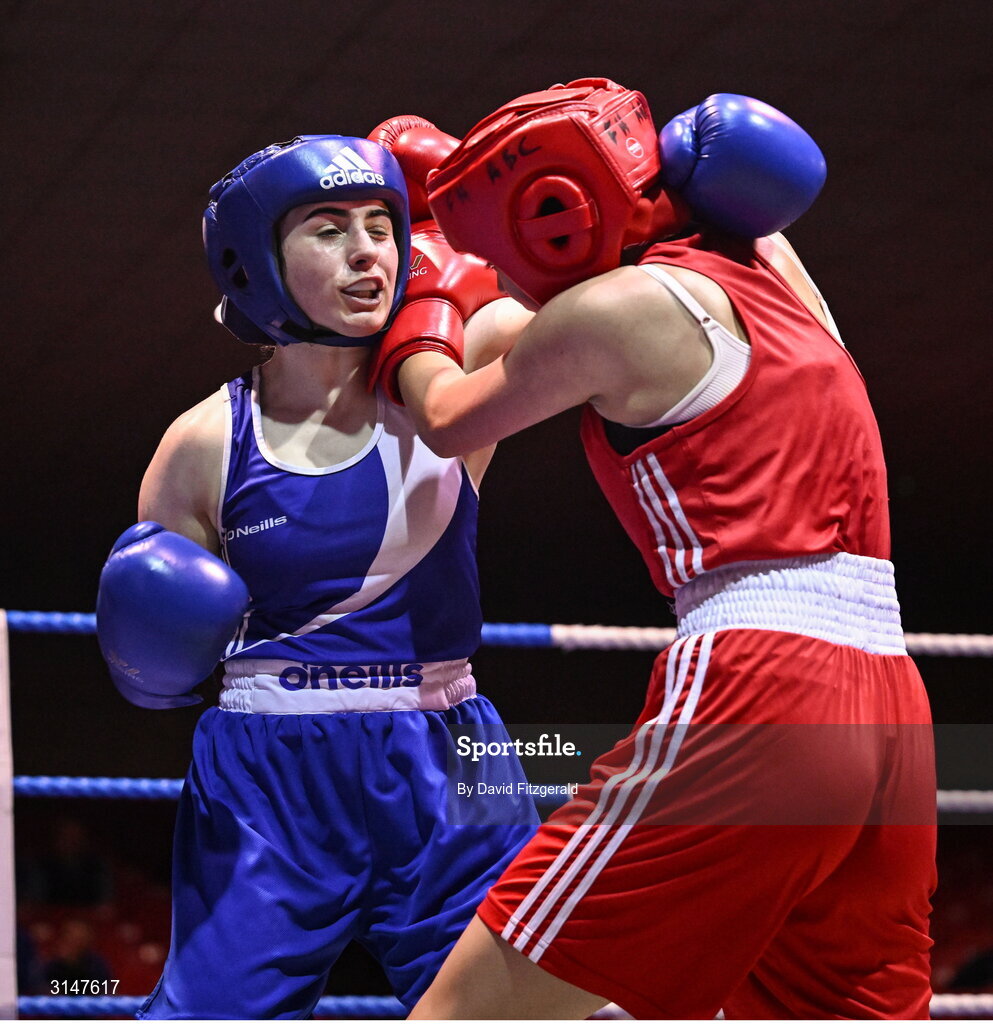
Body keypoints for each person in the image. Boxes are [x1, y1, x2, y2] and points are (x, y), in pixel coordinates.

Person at [370, 81, 938, 1019]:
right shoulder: (764, 266)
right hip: (890, 701)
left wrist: (426, 281)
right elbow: (533, 321)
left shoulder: (613, 311)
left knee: (463, 1015)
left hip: (759, 687)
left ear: (551, 221)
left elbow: (443, 414)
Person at [95, 132, 539, 1018]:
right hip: (270, 774)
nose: (368, 248)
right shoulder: (203, 444)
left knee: (525, 1009)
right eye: (329, 228)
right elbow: (152, 669)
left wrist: (504, 188)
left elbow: (600, 300)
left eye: (382, 224)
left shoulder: (453, 380)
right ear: (257, 259)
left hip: (453, 751)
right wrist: (152, 655)